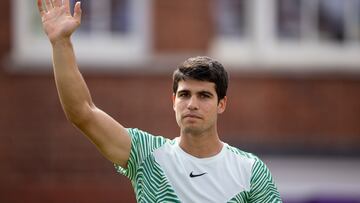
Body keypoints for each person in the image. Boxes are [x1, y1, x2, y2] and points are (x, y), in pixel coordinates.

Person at [37, 0, 282, 202]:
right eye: (185, 95)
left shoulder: (250, 170)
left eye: (204, 95)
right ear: (173, 100)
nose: (192, 104)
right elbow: (83, 113)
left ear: (222, 104)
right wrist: (61, 43)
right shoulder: (146, 154)